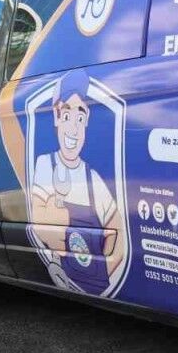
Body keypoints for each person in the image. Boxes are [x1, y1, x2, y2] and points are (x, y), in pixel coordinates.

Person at [29, 69, 124, 295]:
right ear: (56, 116)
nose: (73, 128)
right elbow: (40, 221)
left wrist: (100, 275)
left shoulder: (93, 178)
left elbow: (119, 236)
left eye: (80, 118)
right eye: (66, 116)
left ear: (87, 120)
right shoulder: (46, 164)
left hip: (93, 284)